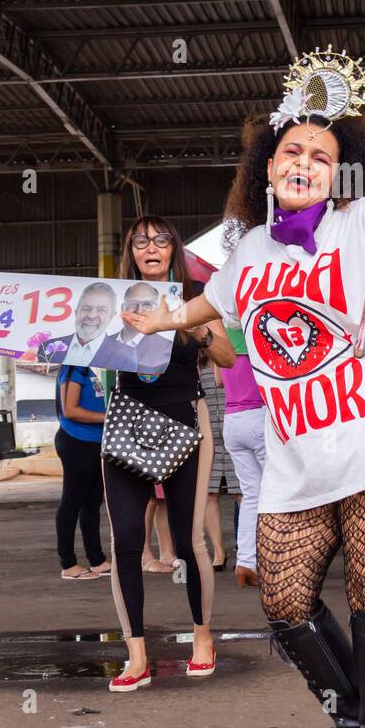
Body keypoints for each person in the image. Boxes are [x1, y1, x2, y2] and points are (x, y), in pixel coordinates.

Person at [122, 48, 365, 728]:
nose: (304, 163)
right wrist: (162, 318)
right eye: (291, 151)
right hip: (296, 453)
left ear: (340, 173)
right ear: (268, 165)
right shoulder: (249, 253)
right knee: (288, 605)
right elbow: (208, 306)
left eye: (321, 155)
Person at [103, 216, 235, 691]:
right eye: (141, 240)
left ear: (173, 248)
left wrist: (191, 328)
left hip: (185, 420)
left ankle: (203, 638)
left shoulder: (197, 293)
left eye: (161, 240)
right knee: (125, 542)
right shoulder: (113, 297)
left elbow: (227, 357)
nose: (151, 247)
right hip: (126, 425)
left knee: (188, 539)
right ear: (132, 250)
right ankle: (135, 654)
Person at [219, 324, 266, 587]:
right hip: (258, 415)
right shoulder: (256, 336)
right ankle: (274, 559)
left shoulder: (223, 338)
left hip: (232, 419)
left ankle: (247, 561)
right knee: (276, 491)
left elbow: (216, 379)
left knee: (251, 495)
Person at [54, 364, 111, 581]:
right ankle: (68, 564)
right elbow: (70, 410)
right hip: (76, 441)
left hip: (95, 442)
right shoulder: (72, 370)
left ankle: (97, 560)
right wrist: (107, 416)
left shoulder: (87, 370)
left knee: (92, 502)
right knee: (72, 502)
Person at [200, 360, 242, 572]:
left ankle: (246, 551)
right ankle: (218, 551)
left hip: (234, 428)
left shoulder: (227, 355)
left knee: (242, 493)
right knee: (209, 494)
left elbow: (222, 382)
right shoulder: (195, 359)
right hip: (208, 434)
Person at [92, 282, 173, 372]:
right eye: (133, 303)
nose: (139, 310)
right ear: (123, 308)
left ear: (156, 310)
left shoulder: (167, 347)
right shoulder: (100, 344)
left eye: (147, 305)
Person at [36, 282, 117, 365]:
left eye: (101, 310)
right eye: (86, 308)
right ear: (76, 311)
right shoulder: (47, 346)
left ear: (112, 315)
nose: (91, 316)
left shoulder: (126, 356)